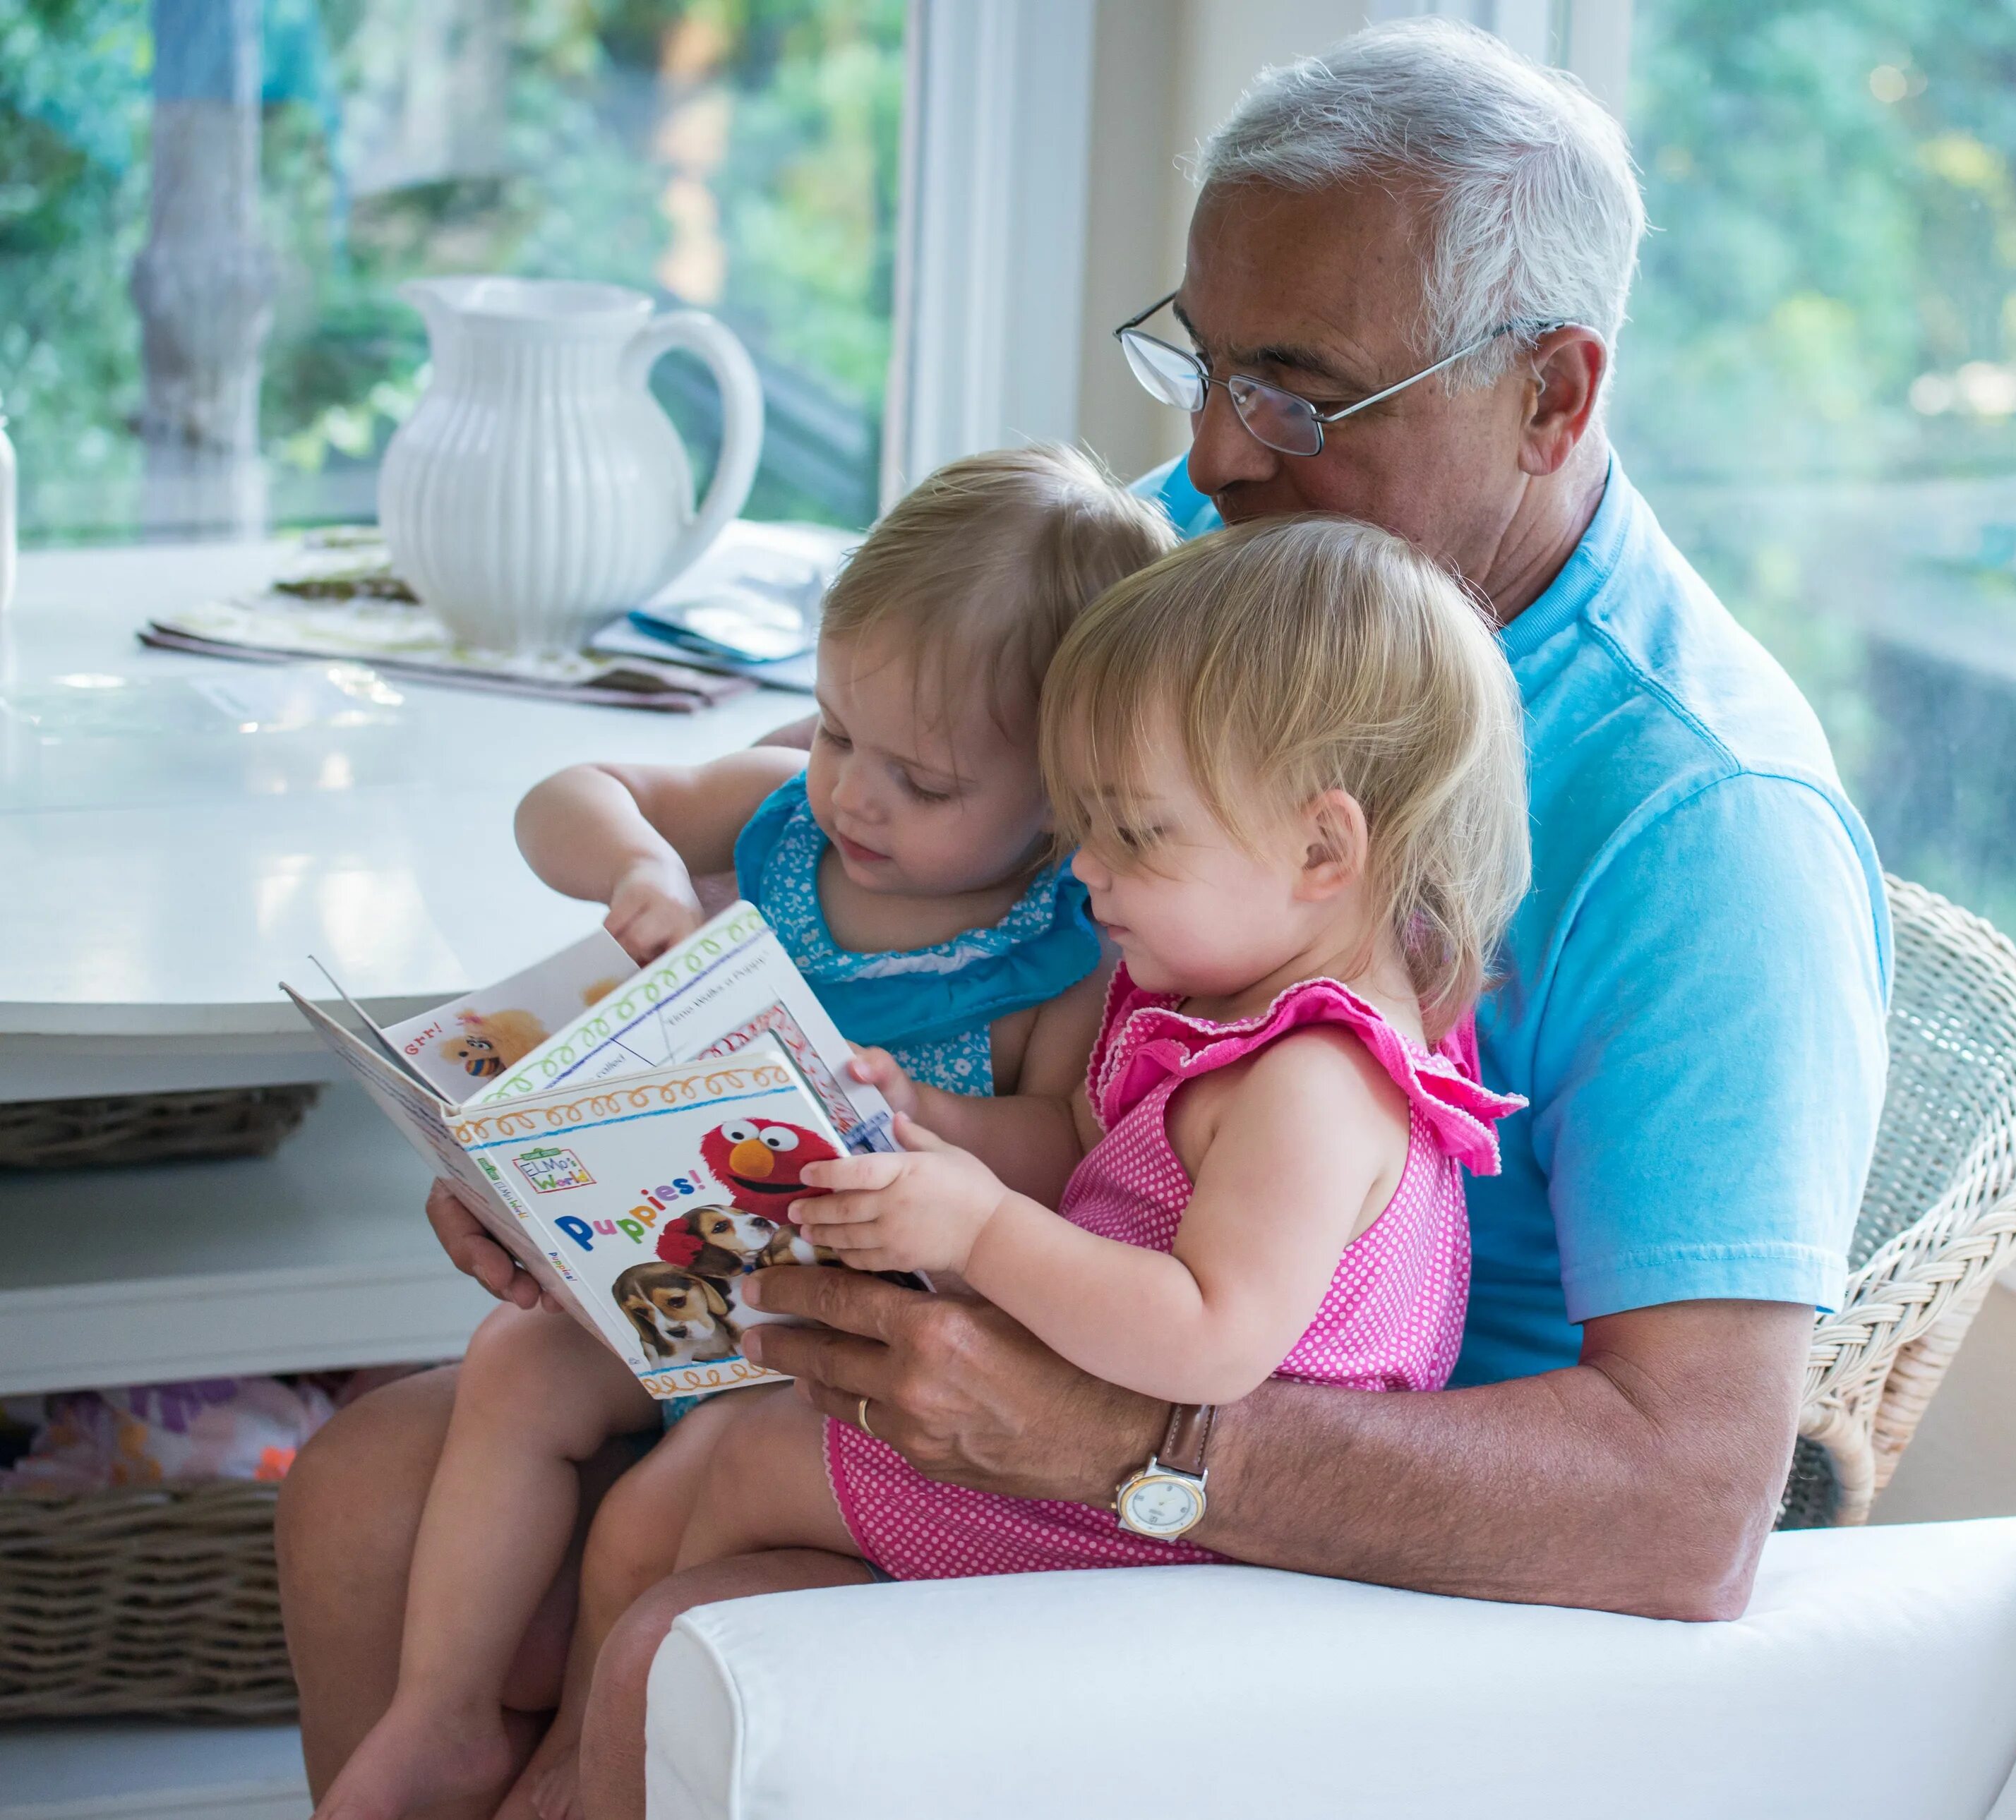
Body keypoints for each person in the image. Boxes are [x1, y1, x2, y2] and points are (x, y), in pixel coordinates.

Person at [278, 16, 1890, 1810]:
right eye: (1196, 366)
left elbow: (1689, 1512)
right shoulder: (1206, 565)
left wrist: (1132, 1440)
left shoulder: (1707, 826)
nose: (1214, 452)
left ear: (1551, 396)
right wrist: (592, 1147)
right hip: (981, 1298)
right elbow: (855, 804)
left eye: (1298, 390)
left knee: (692, 1650)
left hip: (1348, 1557)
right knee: (364, 1496)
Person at [540, 514, 1528, 1816]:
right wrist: (940, 1128)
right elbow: (1085, 1146)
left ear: (1322, 850)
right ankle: (570, 1763)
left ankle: (571, 1779)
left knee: (727, 1472)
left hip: (1173, 1543)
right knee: (675, 1503)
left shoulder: (1313, 1084)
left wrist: (979, 1234)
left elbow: (1214, 1341)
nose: (1083, 871)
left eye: (1133, 835)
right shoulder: (1230, 995)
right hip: (1110, 1483)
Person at [303, 445, 1174, 1820]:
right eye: (835, 729)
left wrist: (934, 1118)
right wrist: (642, 863)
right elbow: (568, 797)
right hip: (680, 1274)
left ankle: (580, 1761)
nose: (855, 793)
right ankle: (446, 1712)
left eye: (924, 780)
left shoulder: (1065, 953)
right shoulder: (779, 825)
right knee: (517, 1365)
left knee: (696, 1490)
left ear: (1070, 789)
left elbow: (1070, 1151)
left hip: (840, 1335)